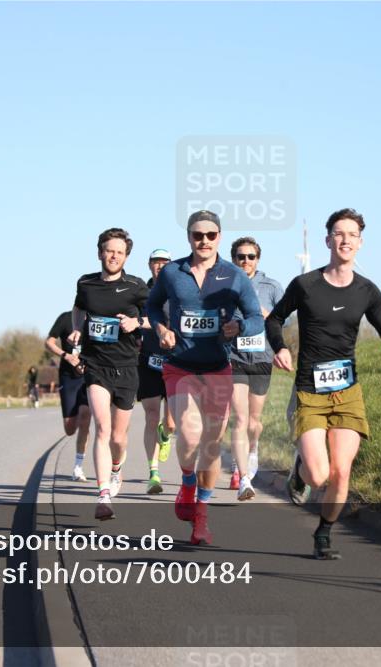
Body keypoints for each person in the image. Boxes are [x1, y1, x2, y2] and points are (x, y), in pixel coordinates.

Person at [266, 208, 381, 560]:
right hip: (309, 392)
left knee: (342, 471)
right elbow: (276, 318)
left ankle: (324, 533)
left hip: (347, 393)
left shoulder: (366, 290)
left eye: (352, 234)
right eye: (339, 234)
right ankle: (300, 468)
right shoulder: (306, 285)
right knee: (318, 476)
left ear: (360, 243)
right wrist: (280, 347)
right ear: (328, 240)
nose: (345, 240)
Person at [146, 210, 263, 545]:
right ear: (189, 237)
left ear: (219, 238)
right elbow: (153, 306)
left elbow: (255, 316)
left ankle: (201, 517)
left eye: (211, 235)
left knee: (212, 441)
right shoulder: (171, 273)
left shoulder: (234, 275)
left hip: (217, 367)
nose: (204, 241)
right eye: (198, 235)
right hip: (180, 364)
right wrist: (161, 327)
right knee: (190, 433)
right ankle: (186, 481)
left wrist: (239, 326)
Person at [68, 228, 149, 520]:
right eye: (109, 250)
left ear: (126, 256)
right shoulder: (86, 283)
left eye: (119, 252)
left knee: (118, 436)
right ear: (100, 252)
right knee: (102, 428)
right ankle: (103, 494)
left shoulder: (136, 286)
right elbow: (78, 309)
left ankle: (117, 469)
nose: (113, 256)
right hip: (96, 364)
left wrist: (137, 322)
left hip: (127, 366)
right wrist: (77, 328)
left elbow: (160, 320)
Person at [225, 237, 284, 500]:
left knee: (253, 421)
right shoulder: (225, 286)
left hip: (261, 358)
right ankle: (244, 478)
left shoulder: (271, 287)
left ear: (257, 259)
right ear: (233, 259)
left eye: (250, 256)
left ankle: (253, 450)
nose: (245, 261)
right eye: (240, 256)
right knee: (239, 418)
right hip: (235, 357)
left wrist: (263, 313)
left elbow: (283, 320)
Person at [137, 249, 177, 494]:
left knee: (170, 423)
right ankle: (153, 473)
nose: (159, 265)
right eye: (155, 262)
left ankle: (166, 433)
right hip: (148, 362)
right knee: (151, 416)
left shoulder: (178, 291)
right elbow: (133, 320)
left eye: (164, 262)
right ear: (149, 265)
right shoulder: (141, 292)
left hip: (173, 362)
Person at [45, 311, 92, 481]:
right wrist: (66, 356)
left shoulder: (96, 319)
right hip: (68, 377)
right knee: (70, 428)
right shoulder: (65, 318)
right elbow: (49, 342)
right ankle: (77, 418)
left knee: (86, 416)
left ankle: (78, 467)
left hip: (89, 376)